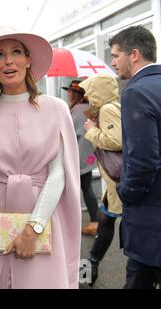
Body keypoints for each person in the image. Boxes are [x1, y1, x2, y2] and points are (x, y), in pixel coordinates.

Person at [0, 27, 81, 289]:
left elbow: (58, 175)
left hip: (41, 216)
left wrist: (34, 229)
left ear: (28, 59)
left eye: (16, 52)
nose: (8, 61)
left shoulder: (56, 109)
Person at [109, 26, 161, 289]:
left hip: (150, 220)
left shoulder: (136, 92)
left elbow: (144, 161)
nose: (112, 62)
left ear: (135, 55)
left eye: (116, 55)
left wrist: (125, 192)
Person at [79, 74, 122, 287]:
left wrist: (91, 130)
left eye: (90, 90)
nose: (87, 95)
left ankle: (88, 268)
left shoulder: (108, 109)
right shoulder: (111, 107)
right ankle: (89, 267)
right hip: (115, 183)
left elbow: (116, 141)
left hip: (119, 182)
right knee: (106, 222)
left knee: (112, 224)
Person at [62, 80, 99, 236]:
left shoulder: (77, 111)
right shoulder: (88, 109)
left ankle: (89, 222)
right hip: (89, 156)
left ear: (77, 94)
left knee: (75, 190)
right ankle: (96, 221)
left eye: (70, 91)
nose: (68, 94)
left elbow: (72, 136)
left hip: (79, 157)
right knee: (87, 188)